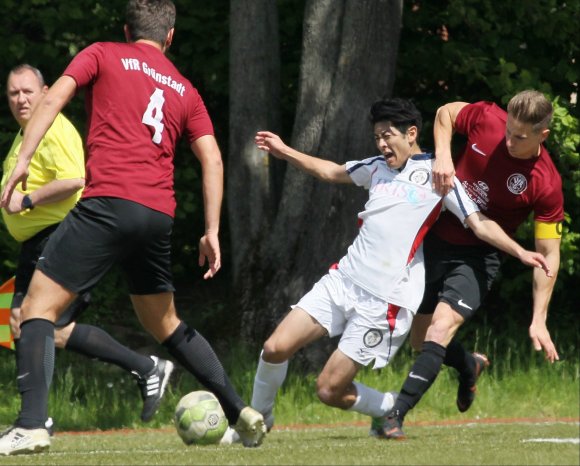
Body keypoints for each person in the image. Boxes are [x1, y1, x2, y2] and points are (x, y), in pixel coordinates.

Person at [0, 0, 265, 455]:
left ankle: (31, 426)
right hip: (156, 215)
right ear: (170, 37)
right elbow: (213, 158)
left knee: (33, 310)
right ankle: (241, 410)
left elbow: (57, 96)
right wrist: (212, 230)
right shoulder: (185, 88)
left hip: (108, 203)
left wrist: (24, 159)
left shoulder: (102, 53)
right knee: (163, 320)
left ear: (127, 29)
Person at [246, 98, 550, 438]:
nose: (381, 144)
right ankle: (257, 423)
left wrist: (520, 252)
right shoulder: (375, 166)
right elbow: (331, 171)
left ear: (411, 134)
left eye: (387, 135)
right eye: (376, 137)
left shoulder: (438, 176)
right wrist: (285, 150)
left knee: (328, 390)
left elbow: (479, 224)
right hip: (343, 280)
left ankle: (389, 407)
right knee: (274, 348)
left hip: (384, 301)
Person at [381, 90, 564, 440]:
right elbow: (445, 114)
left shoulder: (546, 182)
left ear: (543, 135)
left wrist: (539, 318)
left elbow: (548, 253)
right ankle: (469, 365)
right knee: (421, 342)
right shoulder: (487, 118)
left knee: (439, 330)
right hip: (433, 239)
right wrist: (445, 157)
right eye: (508, 130)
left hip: (479, 256)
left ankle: (394, 415)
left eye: (520, 137)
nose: (508, 140)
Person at [2, 63, 174, 427]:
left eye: (27, 91)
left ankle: (35, 420)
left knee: (33, 321)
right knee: (27, 323)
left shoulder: (51, 128)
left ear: (45, 92)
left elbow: (73, 178)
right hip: (36, 243)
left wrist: (28, 201)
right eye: (14, 93)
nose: (20, 99)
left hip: (61, 236)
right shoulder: (25, 135)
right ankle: (145, 367)